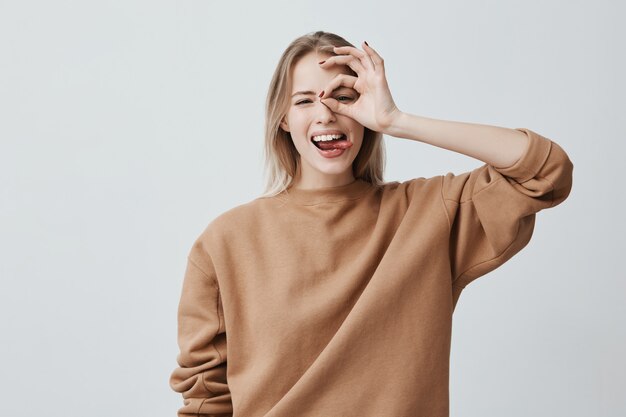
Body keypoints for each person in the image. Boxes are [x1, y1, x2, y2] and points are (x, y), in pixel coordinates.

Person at [169, 30, 574, 417]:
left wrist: (397, 120)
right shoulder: (226, 241)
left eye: (344, 97)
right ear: (282, 119)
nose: (326, 114)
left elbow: (545, 171)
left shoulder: (428, 214)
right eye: (305, 101)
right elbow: (206, 399)